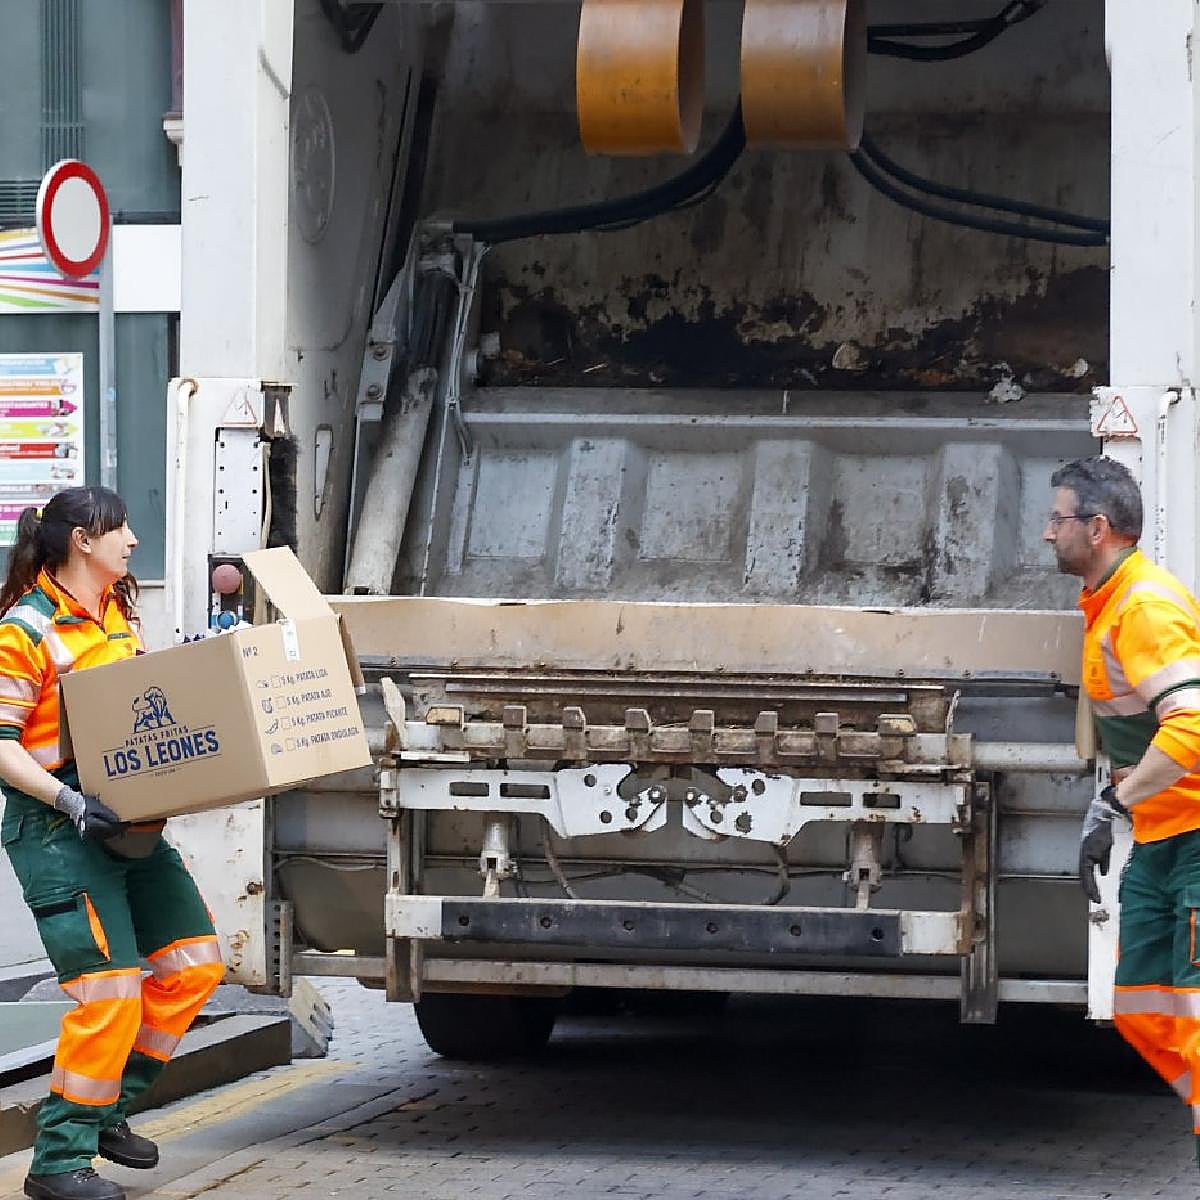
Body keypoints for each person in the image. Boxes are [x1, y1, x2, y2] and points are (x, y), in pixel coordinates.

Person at [0, 487, 224, 1200]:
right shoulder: (25, 628)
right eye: (117, 528)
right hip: (58, 828)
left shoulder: (121, 612)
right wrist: (69, 800)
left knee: (194, 965)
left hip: (128, 821)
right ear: (80, 542)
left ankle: (103, 1111)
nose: (131, 539)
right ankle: (59, 1161)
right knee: (111, 993)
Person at [1045, 456, 1200, 1166]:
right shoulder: (1110, 603)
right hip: (1165, 839)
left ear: (1097, 528)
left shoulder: (1143, 607)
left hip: (1195, 844)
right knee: (1142, 1008)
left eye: (1058, 518)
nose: (1049, 534)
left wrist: (1112, 804)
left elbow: (1192, 727)